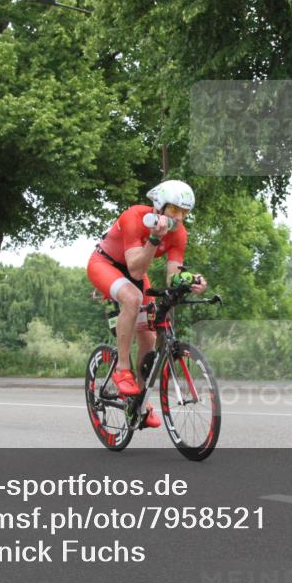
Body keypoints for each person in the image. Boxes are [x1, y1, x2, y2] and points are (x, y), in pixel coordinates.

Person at [86, 179, 208, 428]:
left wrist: (191, 281)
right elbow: (135, 269)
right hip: (105, 264)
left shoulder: (179, 233)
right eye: (174, 210)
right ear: (159, 207)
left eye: (185, 212)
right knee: (133, 297)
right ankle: (121, 368)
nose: (180, 218)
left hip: (135, 275)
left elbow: (172, 277)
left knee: (149, 335)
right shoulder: (134, 217)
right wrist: (154, 239)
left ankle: (139, 403)